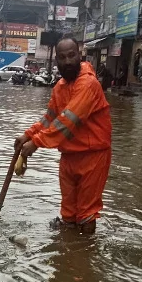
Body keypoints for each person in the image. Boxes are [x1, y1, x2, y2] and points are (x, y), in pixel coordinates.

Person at [15, 37, 112, 234]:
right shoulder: (60, 86)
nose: (67, 61)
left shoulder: (88, 84)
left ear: (79, 55)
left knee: (86, 214)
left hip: (92, 156)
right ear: (56, 61)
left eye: (71, 55)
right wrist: (28, 134)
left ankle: (83, 256)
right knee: (68, 212)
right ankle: (67, 255)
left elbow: (68, 121)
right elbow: (50, 118)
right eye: (62, 57)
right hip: (69, 155)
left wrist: (36, 143)